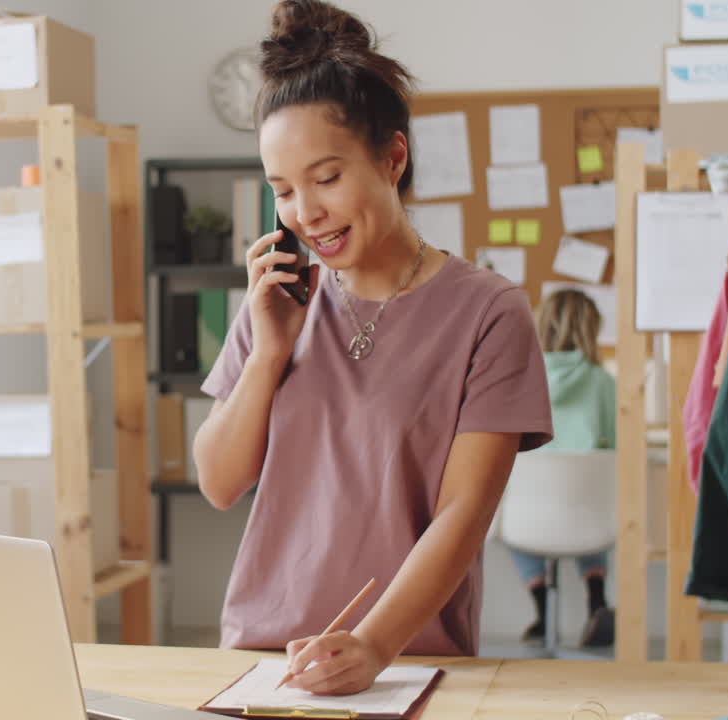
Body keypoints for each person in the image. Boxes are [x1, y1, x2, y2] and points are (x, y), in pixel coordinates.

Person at [192, 0, 553, 696]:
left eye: (326, 178)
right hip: (263, 663)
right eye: (284, 190)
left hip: (405, 665)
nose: (306, 212)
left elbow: (464, 513)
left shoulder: (489, 313)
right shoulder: (278, 302)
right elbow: (220, 481)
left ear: (393, 156)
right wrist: (268, 353)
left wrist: (371, 646)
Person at [511, 289, 617, 648]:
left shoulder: (519, 380)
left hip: (525, 520)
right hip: (586, 517)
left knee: (513, 502)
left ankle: (541, 608)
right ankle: (597, 596)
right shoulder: (604, 384)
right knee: (591, 498)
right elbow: (617, 448)